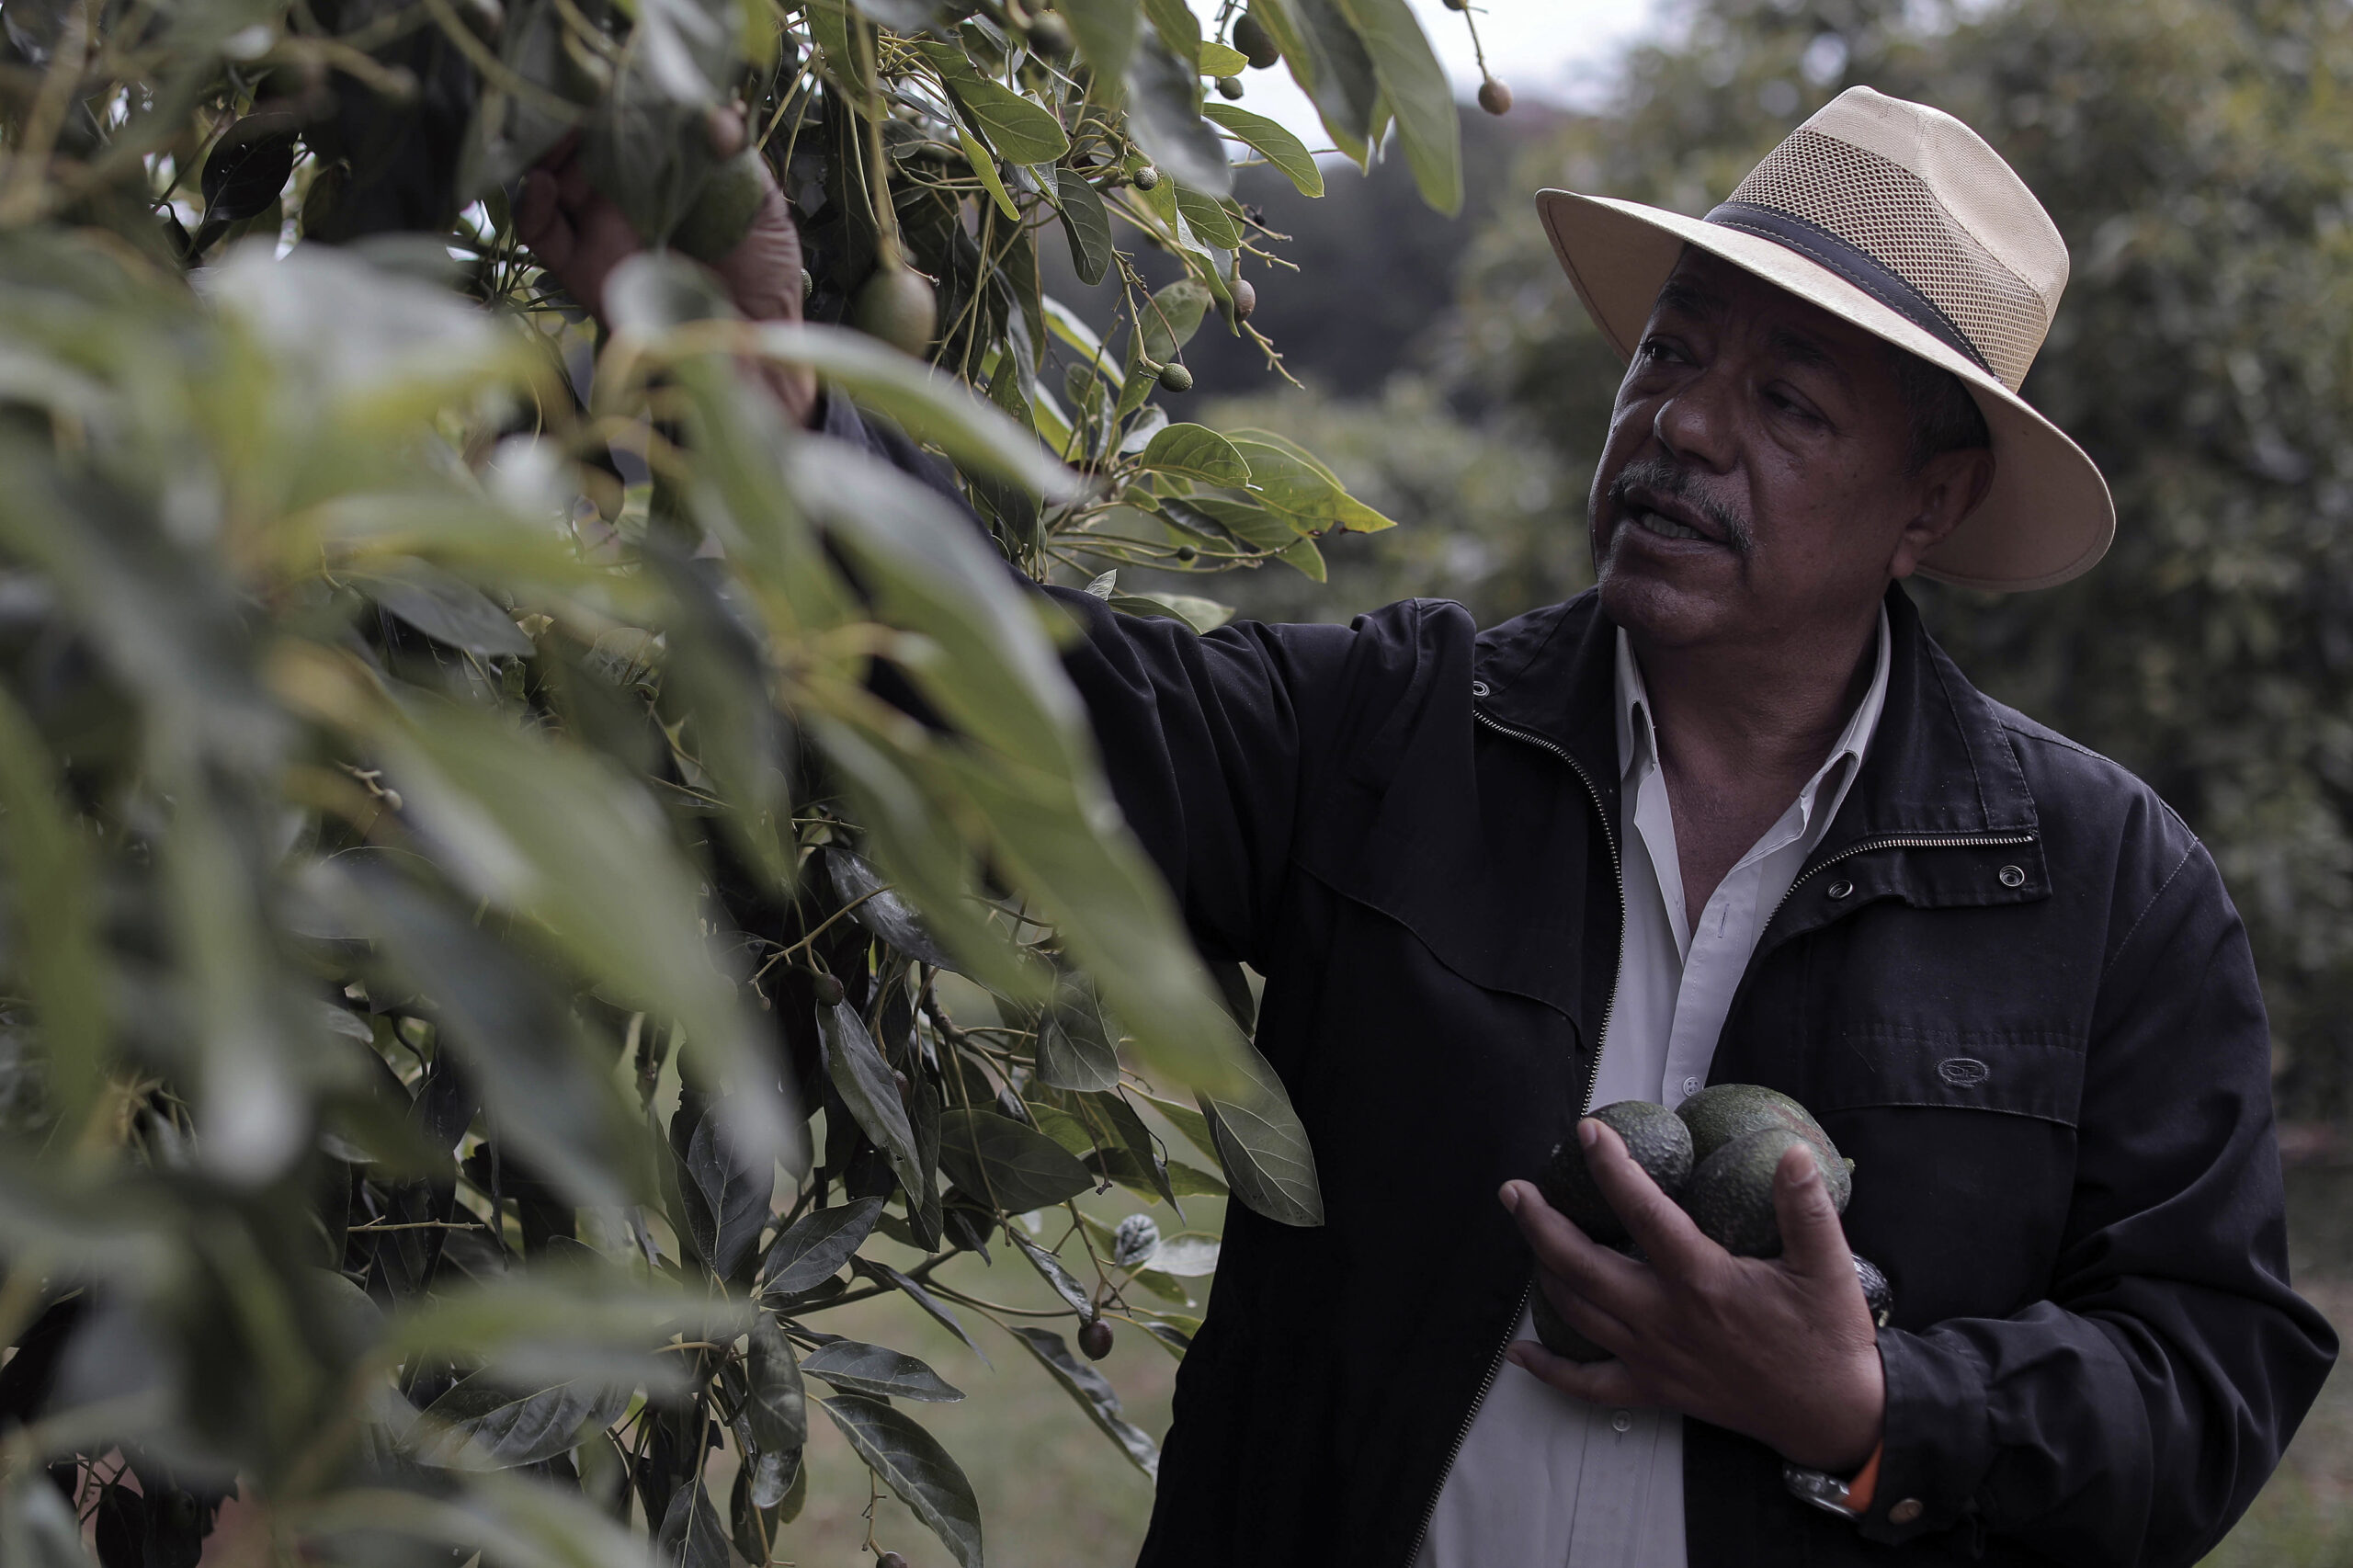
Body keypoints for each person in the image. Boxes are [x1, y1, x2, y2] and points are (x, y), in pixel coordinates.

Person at [520, 85, 2336, 1568]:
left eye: (1784, 402)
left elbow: (2209, 1374)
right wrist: (774, 402)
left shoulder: (2104, 890)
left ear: (1927, 506)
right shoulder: (1406, 730)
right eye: (1670, 355)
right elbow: (1042, 705)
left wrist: (1870, 1410)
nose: (1681, 426)